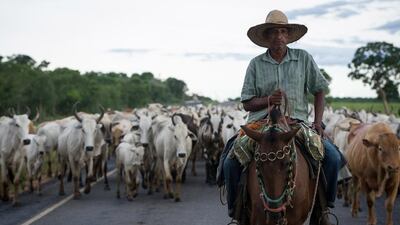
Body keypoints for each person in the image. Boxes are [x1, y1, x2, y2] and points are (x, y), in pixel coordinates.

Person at [218, 9, 344, 221]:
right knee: (230, 162)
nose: (278, 36)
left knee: (332, 157)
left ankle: (323, 210)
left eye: (283, 31)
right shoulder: (255, 64)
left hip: (297, 123)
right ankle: (237, 213)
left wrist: (318, 122)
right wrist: (268, 100)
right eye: (273, 32)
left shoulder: (303, 59)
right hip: (260, 124)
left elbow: (319, 89)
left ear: (288, 36)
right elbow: (247, 102)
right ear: (266, 37)